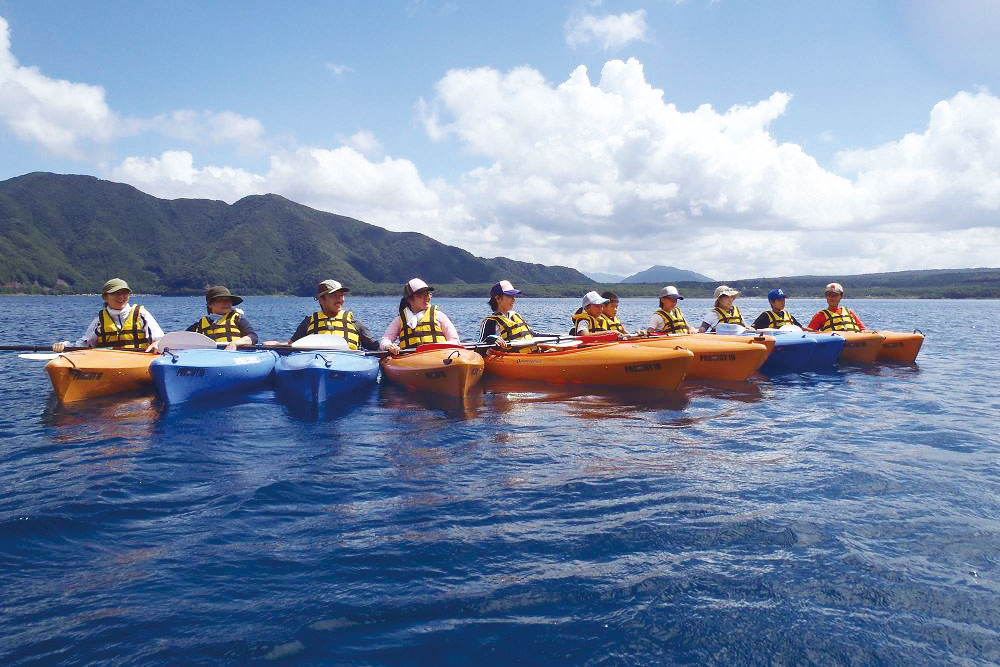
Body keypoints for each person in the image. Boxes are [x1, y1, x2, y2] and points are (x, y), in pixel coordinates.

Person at [53, 278, 164, 352]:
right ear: (105, 297)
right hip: (109, 362)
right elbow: (85, 344)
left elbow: (160, 339)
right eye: (116, 293)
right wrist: (65, 346)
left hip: (138, 359)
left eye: (125, 293)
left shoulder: (141, 314)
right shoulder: (100, 320)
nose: (121, 297)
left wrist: (158, 344)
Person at [287, 279, 381, 350]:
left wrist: (388, 346)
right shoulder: (308, 322)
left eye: (341, 295)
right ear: (321, 299)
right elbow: (291, 346)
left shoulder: (354, 323)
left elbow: (375, 346)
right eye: (333, 296)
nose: (339, 300)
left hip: (348, 364)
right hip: (315, 363)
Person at [380, 278, 460, 355]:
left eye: (428, 294)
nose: (427, 297)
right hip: (411, 360)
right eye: (420, 295)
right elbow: (385, 340)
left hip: (440, 356)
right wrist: (389, 346)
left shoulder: (439, 315)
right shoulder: (399, 320)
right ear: (409, 299)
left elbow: (454, 340)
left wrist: (441, 347)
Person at [186, 286, 258, 350]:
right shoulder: (199, 325)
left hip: (233, 355)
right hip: (209, 357)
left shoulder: (238, 319)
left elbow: (253, 337)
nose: (226, 303)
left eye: (228, 300)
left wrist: (235, 343)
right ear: (210, 305)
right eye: (221, 300)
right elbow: (182, 337)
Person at [480, 280, 537, 350]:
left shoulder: (516, 316)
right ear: (498, 298)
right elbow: (481, 346)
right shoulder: (491, 321)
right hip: (513, 358)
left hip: (532, 356)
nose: (514, 299)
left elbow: (533, 334)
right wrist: (491, 339)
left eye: (514, 296)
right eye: (510, 296)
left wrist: (554, 336)